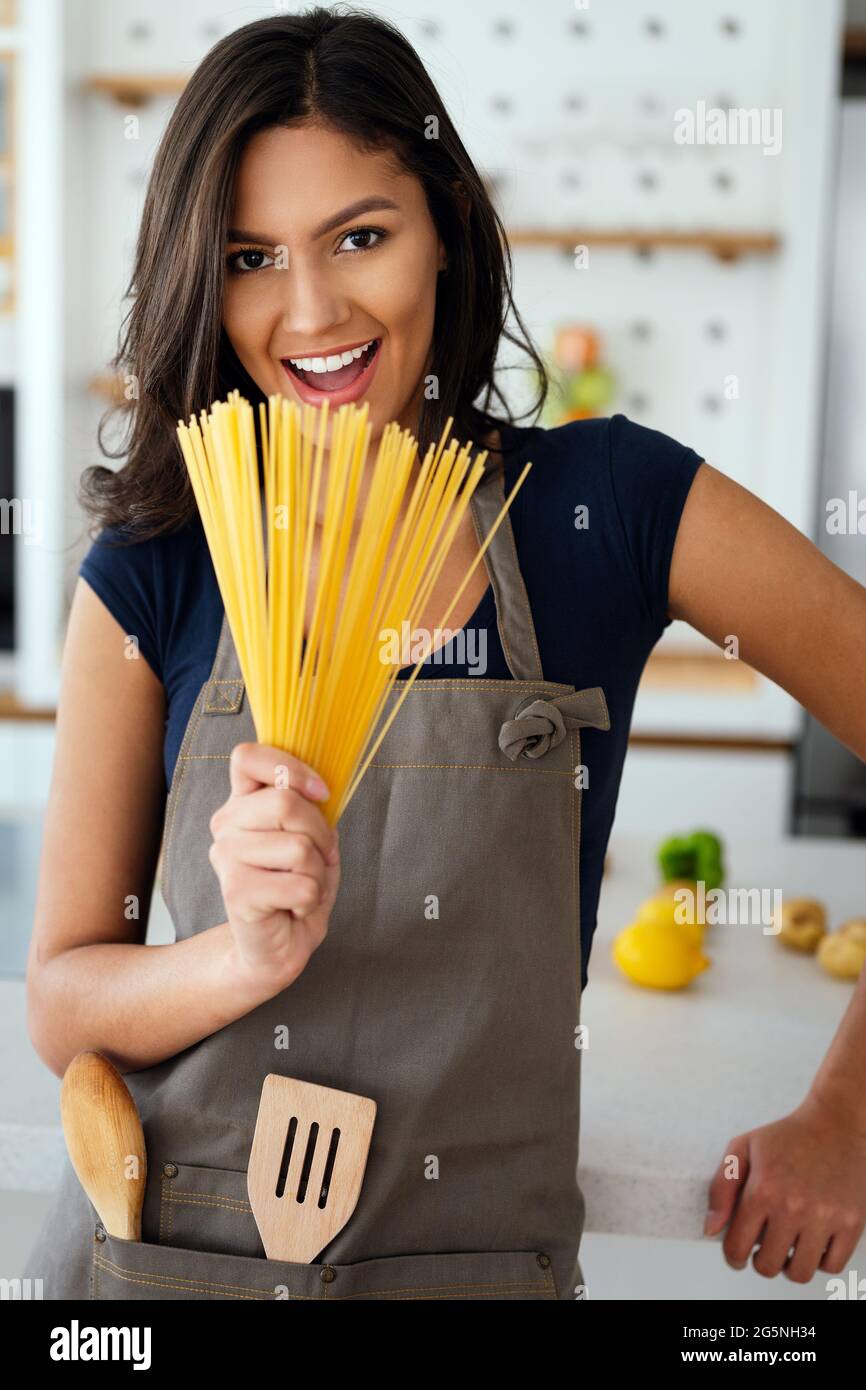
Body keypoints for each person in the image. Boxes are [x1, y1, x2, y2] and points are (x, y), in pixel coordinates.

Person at [23, 7, 866, 1300]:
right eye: (251, 256)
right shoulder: (158, 562)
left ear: (444, 237)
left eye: (360, 235)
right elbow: (64, 1002)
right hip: (156, 1279)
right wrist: (237, 957)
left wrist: (847, 1113)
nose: (310, 311)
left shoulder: (608, 510)